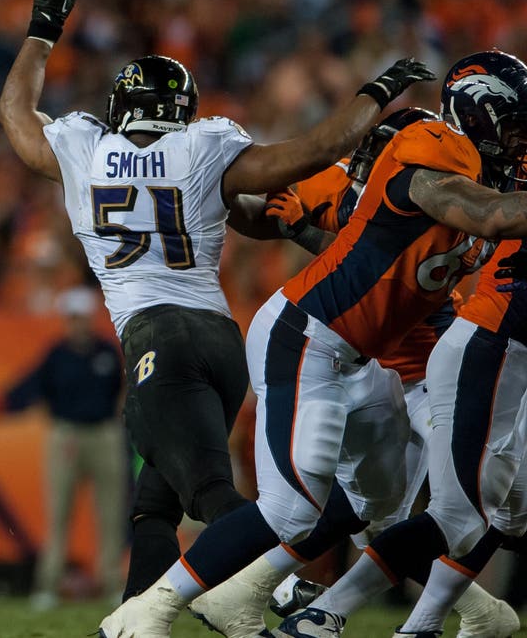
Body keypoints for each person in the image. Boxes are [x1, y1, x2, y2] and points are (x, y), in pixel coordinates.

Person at [0, 0, 433, 629]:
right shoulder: (204, 145)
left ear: (118, 109)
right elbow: (312, 150)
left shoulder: (83, 147)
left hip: (154, 340)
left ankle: (269, 588)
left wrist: (44, 28)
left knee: (210, 494)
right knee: (155, 501)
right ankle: (133, 615)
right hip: (219, 338)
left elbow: (15, 113)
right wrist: (375, 94)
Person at [108, 48, 527, 638]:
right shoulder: (429, 155)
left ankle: (277, 593)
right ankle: (150, 610)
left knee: (385, 499)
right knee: (294, 506)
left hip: (377, 359)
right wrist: (229, 198)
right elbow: (482, 218)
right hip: (314, 338)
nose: (367, 165)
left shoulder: (485, 170)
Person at [194, 109, 516, 638]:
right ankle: (317, 600)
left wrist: (300, 230)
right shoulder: (341, 182)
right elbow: (269, 218)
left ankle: (300, 592)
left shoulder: (437, 192)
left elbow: (378, 263)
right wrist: (221, 190)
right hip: (361, 364)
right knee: (371, 507)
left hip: (423, 368)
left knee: (453, 502)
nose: (376, 167)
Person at [276, 235, 527, 638]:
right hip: (491, 347)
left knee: (510, 511)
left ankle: (474, 619)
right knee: (454, 514)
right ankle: (327, 614)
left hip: (485, 352)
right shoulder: (425, 190)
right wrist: (303, 226)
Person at [4, 286, 125, 609]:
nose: (77, 324)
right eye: (72, 318)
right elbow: (23, 390)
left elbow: (121, 391)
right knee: (58, 514)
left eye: (81, 318)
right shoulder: (56, 354)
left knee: (111, 513)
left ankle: (111, 581)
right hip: (66, 434)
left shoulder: (107, 352)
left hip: (103, 432)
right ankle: (48, 584)